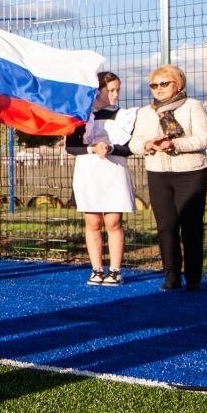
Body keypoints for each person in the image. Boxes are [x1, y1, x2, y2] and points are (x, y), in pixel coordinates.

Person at [128, 64, 207, 292]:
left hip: (191, 173)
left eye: (164, 83)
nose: (158, 89)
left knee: (191, 226)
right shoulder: (145, 113)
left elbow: (204, 138)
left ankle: (193, 278)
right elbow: (134, 144)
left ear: (178, 84)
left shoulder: (193, 106)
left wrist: (175, 144)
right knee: (166, 226)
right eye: (154, 85)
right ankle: (171, 276)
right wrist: (147, 145)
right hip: (158, 174)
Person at [66, 72, 135, 286]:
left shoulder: (125, 115)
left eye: (117, 90)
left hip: (114, 169)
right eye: (110, 90)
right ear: (98, 91)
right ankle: (96, 269)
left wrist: (111, 147)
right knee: (93, 221)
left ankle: (115, 270)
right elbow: (71, 146)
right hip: (88, 169)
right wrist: (92, 148)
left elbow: (129, 148)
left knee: (113, 221)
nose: (115, 94)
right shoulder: (81, 115)